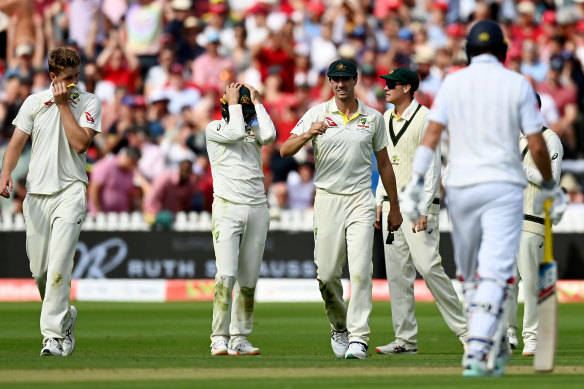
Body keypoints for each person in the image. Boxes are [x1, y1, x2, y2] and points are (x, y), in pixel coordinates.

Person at [400, 20, 568, 377]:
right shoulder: (516, 84)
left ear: (469, 51)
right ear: (504, 53)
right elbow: (536, 143)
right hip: (502, 189)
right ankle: (482, 347)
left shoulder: (453, 83)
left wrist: (416, 182)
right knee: (496, 269)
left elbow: (431, 135)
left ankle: (484, 342)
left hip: (462, 189)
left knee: (472, 273)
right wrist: (551, 186)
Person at [280, 58, 403, 360]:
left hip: (361, 199)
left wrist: (395, 207)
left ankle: (359, 337)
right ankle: (339, 325)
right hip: (327, 198)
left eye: (345, 78)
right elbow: (285, 149)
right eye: (335, 78)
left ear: (355, 80)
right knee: (326, 274)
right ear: (330, 81)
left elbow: (385, 164)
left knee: (361, 270)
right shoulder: (317, 113)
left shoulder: (372, 118)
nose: (340, 83)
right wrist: (310, 133)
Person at [0, 47, 102, 356]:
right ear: (53, 77)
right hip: (37, 195)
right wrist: (5, 172)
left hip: (70, 192)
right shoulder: (33, 102)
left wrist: (62, 105)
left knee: (59, 267)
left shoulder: (89, 102)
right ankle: (65, 317)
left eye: (76, 77)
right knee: (42, 272)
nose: (73, 83)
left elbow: (81, 143)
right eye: (67, 78)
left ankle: (53, 337)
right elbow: (16, 143)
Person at [373, 67, 467, 355]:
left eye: (392, 84)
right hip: (392, 204)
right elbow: (384, 162)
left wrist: (426, 206)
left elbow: (432, 165)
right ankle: (405, 339)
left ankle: (468, 331)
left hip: (417, 205)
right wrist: (380, 200)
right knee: (397, 273)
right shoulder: (386, 118)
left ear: (407, 88)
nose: (386, 88)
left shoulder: (426, 118)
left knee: (428, 266)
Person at [207, 83, 276, 356]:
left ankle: (239, 338)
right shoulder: (215, 129)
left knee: (248, 279)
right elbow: (235, 130)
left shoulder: (254, 130)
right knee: (226, 274)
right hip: (227, 208)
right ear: (227, 106)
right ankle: (219, 337)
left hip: (257, 208)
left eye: (247, 109)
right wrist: (235, 102)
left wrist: (257, 103)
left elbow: (270, 135)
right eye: (242, 107)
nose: (246, 113)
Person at [507, 93, 564, 357]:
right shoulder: (514, 139)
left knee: (529, 283)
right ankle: (508, 334)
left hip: (532, 219)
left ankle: (532, 337)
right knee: (507, 283)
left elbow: (550, 180)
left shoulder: (550, 139)